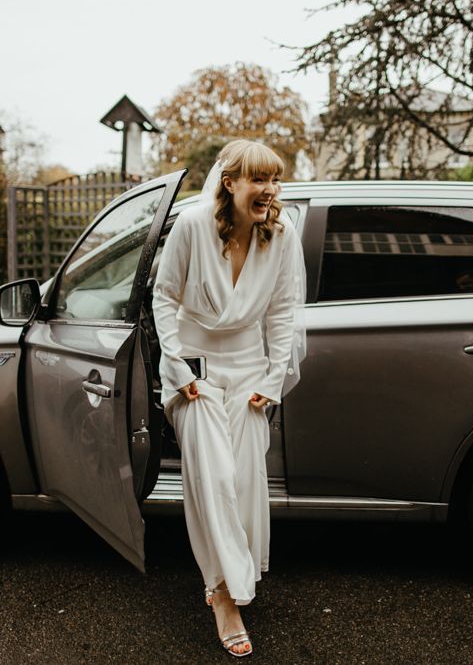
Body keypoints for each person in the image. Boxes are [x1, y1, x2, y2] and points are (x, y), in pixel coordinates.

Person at [152, 139, 305, 657]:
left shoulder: (281, 234)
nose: (268, 190)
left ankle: (225, 575)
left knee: (240, 482)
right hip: (195, 372)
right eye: (258, 179)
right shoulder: (193, 226)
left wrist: (273, 380)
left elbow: (283, 312)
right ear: (230, 182)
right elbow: (165, 296)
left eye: (274, 180)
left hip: (251, 375)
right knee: (212, 475)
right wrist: (176, 369)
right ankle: (224, 597)